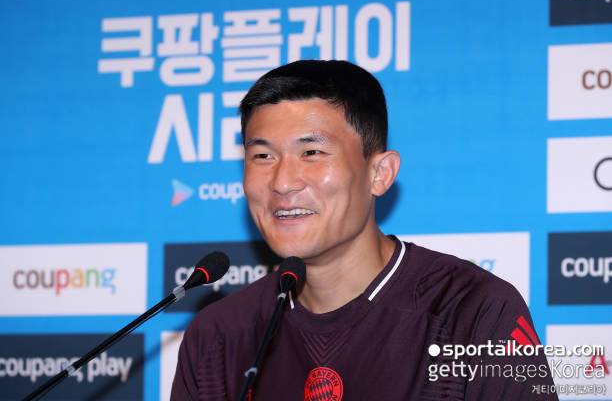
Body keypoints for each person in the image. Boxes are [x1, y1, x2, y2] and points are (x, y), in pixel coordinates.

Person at [171, 60, 557, 400]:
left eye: (311, 152)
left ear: (380, 173)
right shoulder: (219, 336)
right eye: (262, 156)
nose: (282, 182)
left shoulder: (471, 311)